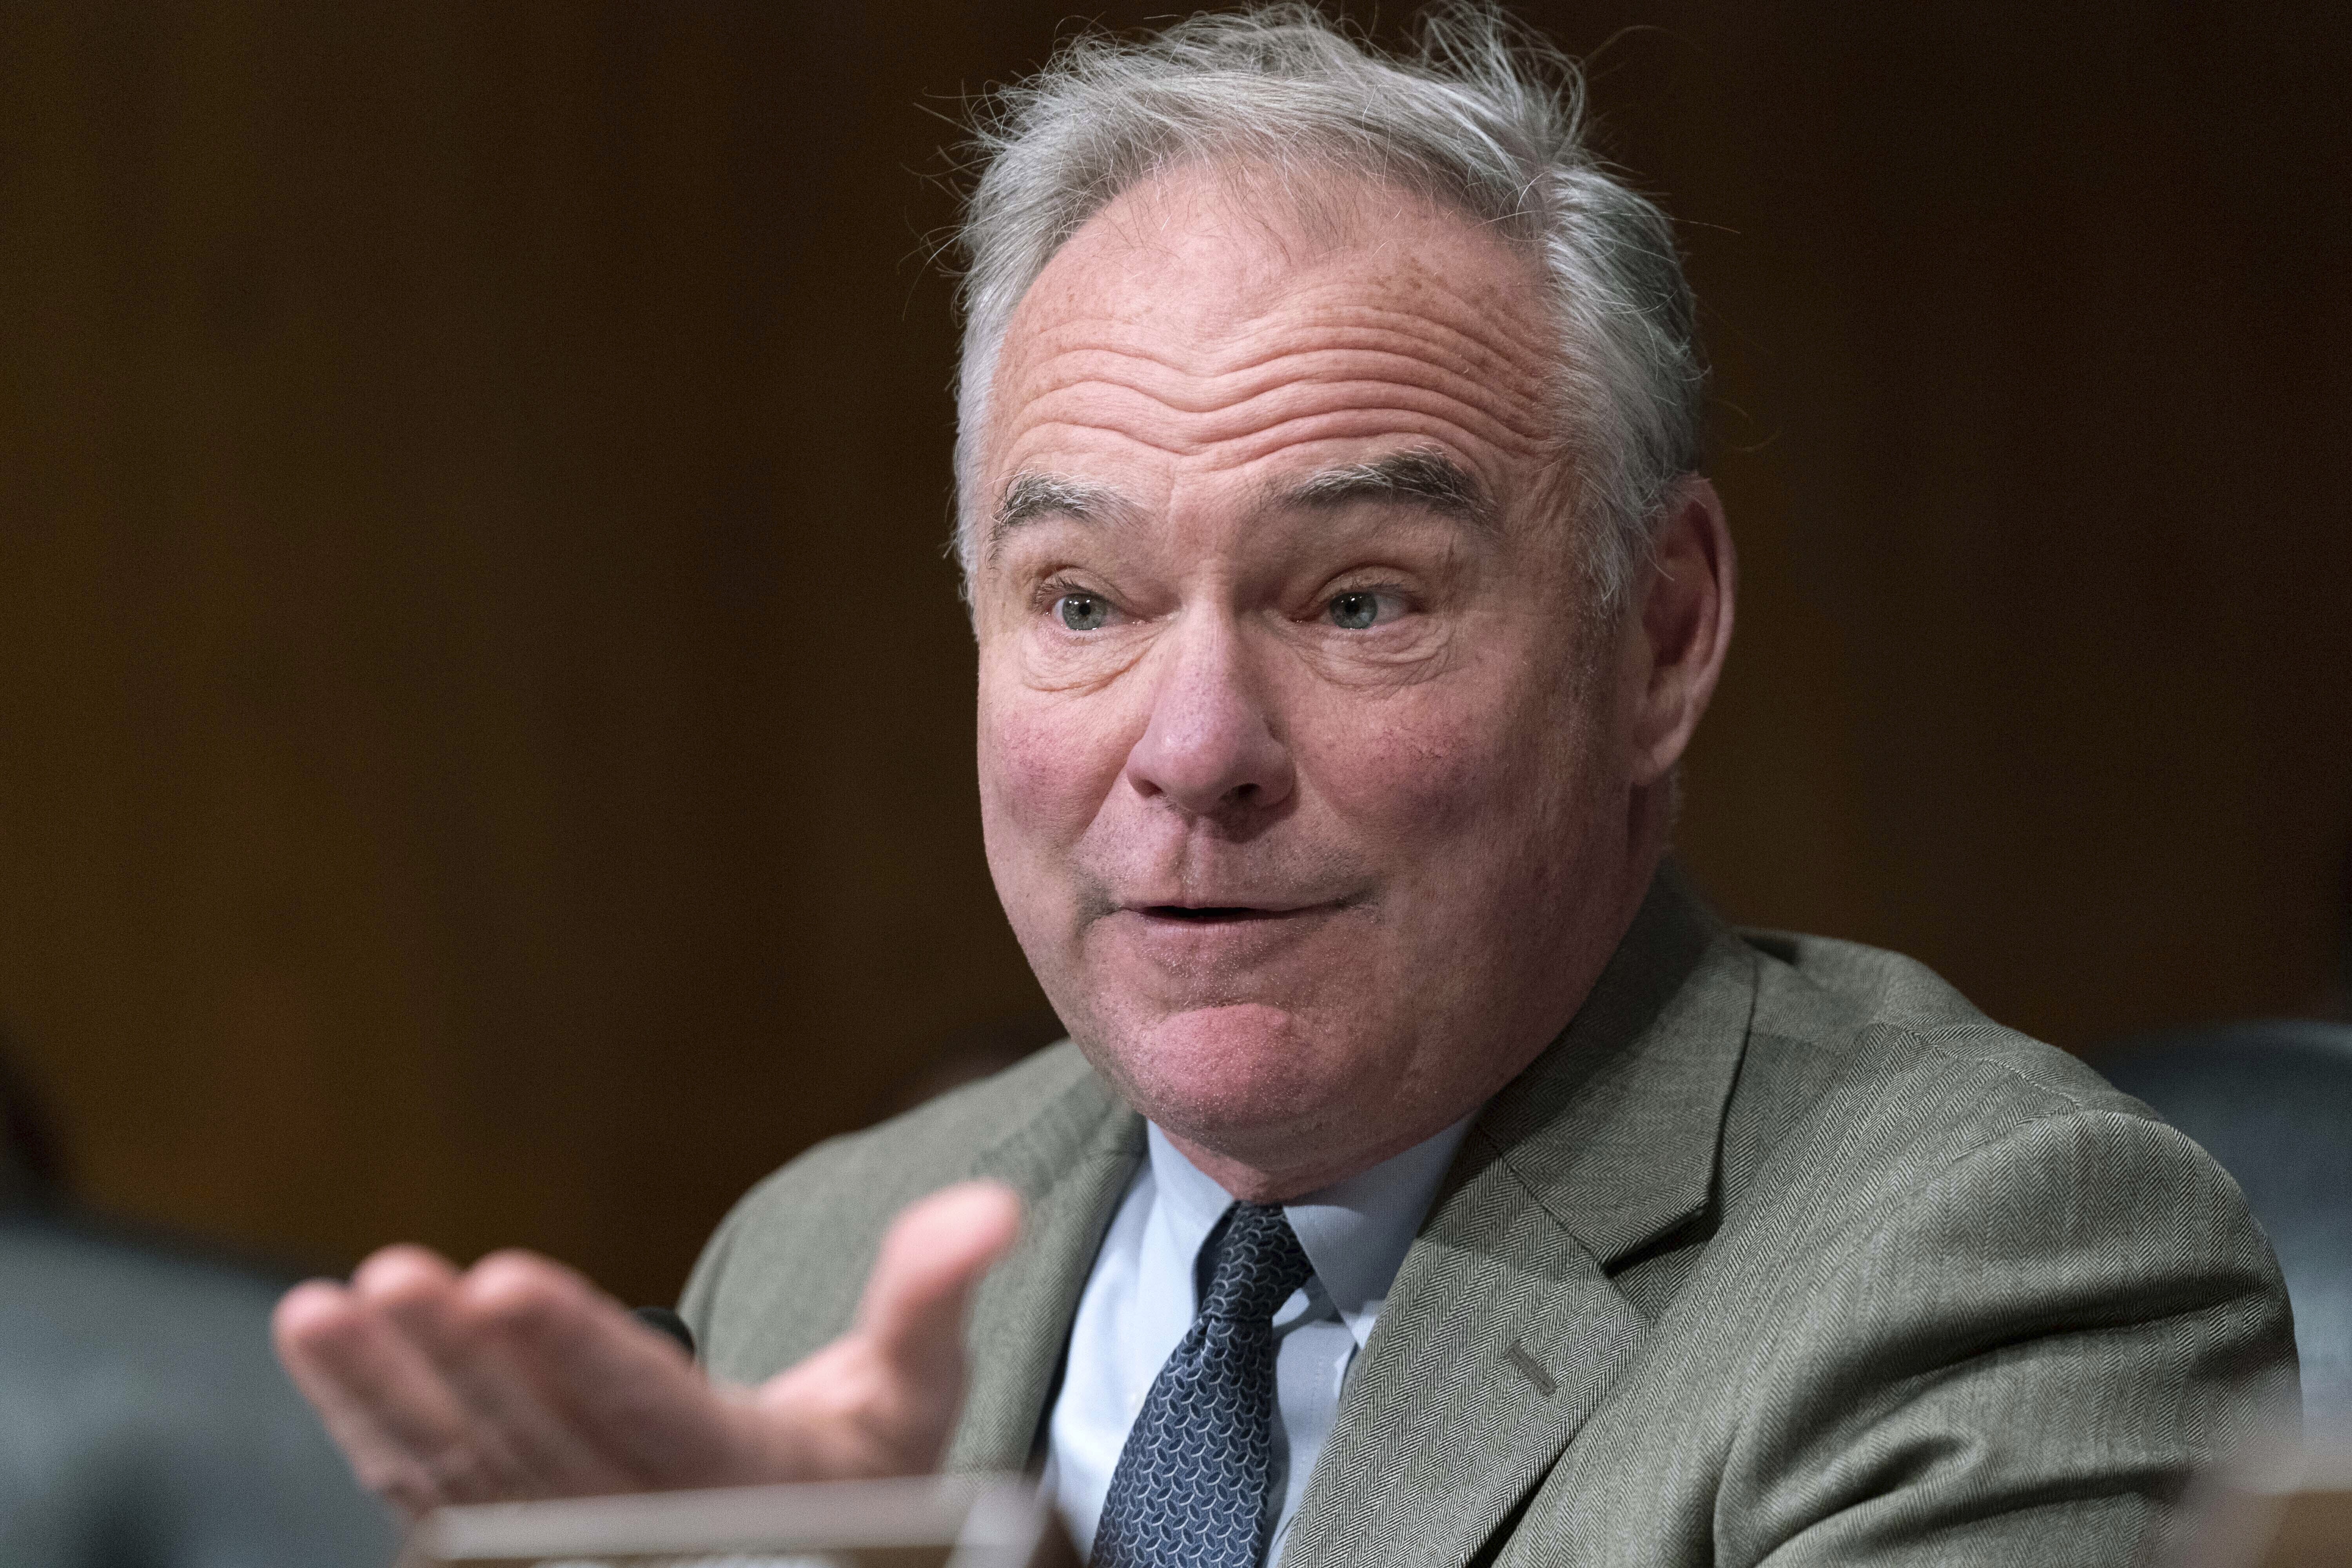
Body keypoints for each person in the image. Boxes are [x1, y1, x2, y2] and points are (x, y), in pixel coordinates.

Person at [273, 7, 2296, 1564]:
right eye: (1081, 600)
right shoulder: (823, 1251)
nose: (1195, 751)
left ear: (1661, 636)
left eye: (1355, 600)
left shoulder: (2004, 1273)